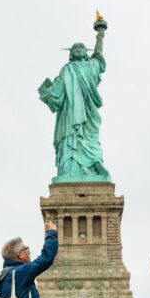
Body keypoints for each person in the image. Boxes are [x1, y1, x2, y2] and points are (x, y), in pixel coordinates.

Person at [38, 22, 111, 182]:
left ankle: (94, 165)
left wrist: (100, 33)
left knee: (89, 139)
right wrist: (48, 94)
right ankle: (70, 171)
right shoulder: (67, 69)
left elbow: (98, 54)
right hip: (70, 114)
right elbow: (57, 95)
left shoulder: (91, 66)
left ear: (86, 53)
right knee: (72, 139)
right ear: (71, 54)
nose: (78, 49)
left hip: (88, 113)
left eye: (82, 48)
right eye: (75, 48)